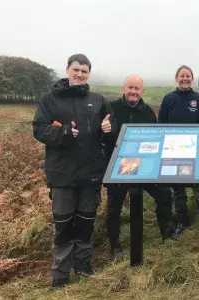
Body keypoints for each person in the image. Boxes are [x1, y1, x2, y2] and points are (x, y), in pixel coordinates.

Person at [32, 54, 115, 288]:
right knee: (64, 225)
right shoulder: (50, 100)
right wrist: (64, 133)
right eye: (76, 70)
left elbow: (109, 128)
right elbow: (39, 129)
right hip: (62, 175)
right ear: (67, 70)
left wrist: (108, 129)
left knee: (86, 223)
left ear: (89, 74)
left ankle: (84, 268)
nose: (79, 74)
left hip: (91, 174)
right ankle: (60, 277)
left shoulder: (98, 100)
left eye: (84, 71)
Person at [104, 74, 178, 261]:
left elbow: (155, 137)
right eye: (130, 87)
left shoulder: (147, 111)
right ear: (124, 88)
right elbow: (103, 137)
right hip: (118, 168)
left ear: (142, 91)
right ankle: (115, 246)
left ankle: (167, 232)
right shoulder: (111, 108)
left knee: (165, 194)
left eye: (137, 89)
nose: (133, 92)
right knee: (114, 208)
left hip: (144, 166)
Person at [158, 65, 199, 233]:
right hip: (174, 150)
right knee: (178, 189)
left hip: (195, 149)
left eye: (188, 76)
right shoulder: (169, 98)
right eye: (182, 76)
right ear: (176, 79)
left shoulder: (198, 99)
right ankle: (183, 220)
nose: (185, 78)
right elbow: (161, 124)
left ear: (192, 79)